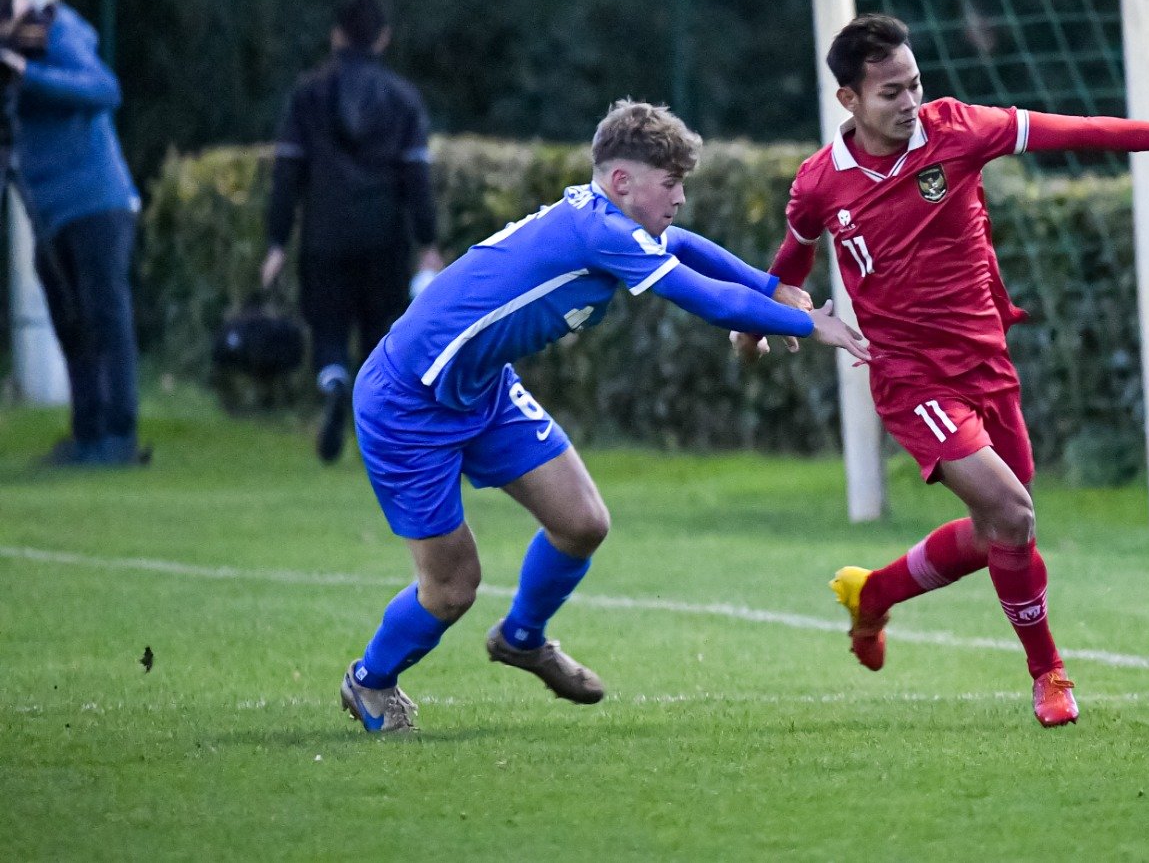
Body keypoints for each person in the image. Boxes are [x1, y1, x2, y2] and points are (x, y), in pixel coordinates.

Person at [733, 14, 1149, 727]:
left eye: (915, 84)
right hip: (908, 378)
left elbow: (1078, 132)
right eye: (891, 92)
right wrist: (759, 320)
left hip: (987, 364)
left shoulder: (959, 130)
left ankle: (875, 594)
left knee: (1002, 532)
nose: (910, 102)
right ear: (849, 100)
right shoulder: (820, 182)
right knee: (1014, 514)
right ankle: (1049, 674)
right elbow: (792, 261)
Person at [338, 98, 870, 733]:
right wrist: (808, 324)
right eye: (669, 183)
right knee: (452, 586)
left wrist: (769, 287)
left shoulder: (609, 220)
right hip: (408, 402)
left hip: (480, 390)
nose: (679, 198)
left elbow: (684, 247)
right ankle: (370, 681)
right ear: (621, 181)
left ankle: (522, 638)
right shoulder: (602, 233)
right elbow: (699, 295)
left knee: (582, 523)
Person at [260, 0, 443, 463]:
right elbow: (416, 177)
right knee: (381, 334)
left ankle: (332, 380)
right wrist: (427, 240)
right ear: (383, 39)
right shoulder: (402, 100)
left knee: (327, 327)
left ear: (336, 35)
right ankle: (377, 424)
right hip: (385, 237)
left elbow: (287, 173)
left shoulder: (307, 96)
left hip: (323, 235)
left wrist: (276, 241)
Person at [0, 0, 147, 467]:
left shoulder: (55, 30)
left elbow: (104, 89)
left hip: (96, 202)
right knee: (71, 323)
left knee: (106, 320)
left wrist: (26, 73)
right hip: (49, 213)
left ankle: (119, 435)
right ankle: (88, 434)